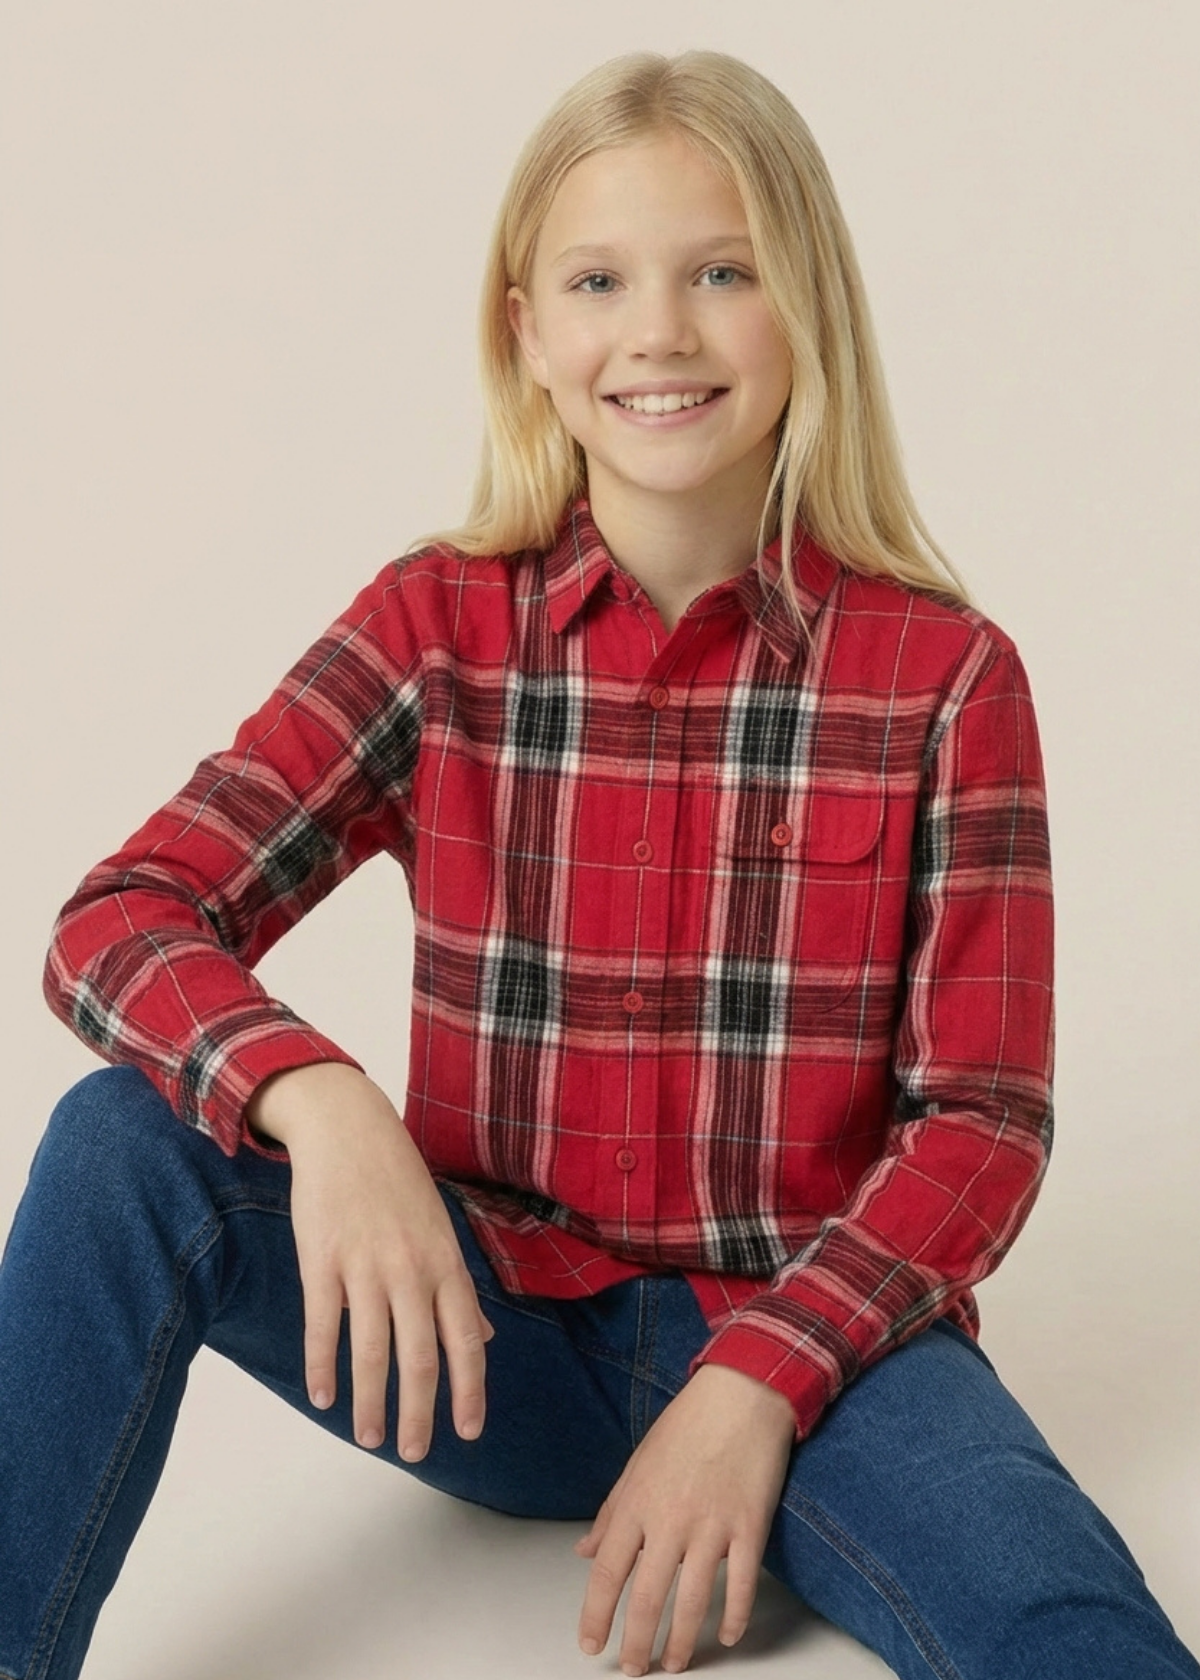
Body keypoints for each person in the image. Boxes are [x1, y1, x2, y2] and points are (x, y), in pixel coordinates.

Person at [1, 46, 1195, 1680]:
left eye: (723, 272)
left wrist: (755, 1383)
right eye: (600, 280)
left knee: (1064, 1620)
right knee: (119, 1144)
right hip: (478, 1332)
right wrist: (320, 1101)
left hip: (815, 1350)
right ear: (531, 334)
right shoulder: (436, 629)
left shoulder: (945, 677)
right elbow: (119, 920)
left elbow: (983, 1119)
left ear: (809, 310)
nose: (661, 331)